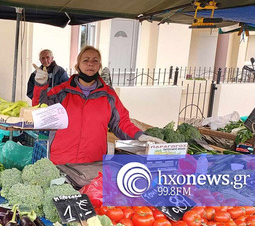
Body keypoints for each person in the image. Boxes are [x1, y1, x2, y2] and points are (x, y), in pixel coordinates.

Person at [32, 45, 165, 165]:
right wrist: (40, 86)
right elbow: (39, 111)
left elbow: (121, 122)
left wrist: (140, 136)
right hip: (61, 162)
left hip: (93, 164)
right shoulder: (62, 92)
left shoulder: (108, 95)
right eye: (86, 60)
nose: (90, 64)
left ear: (99, 65)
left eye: (95, 60)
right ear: (78, 65)